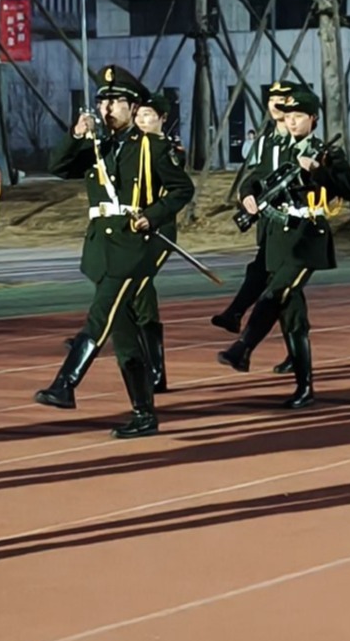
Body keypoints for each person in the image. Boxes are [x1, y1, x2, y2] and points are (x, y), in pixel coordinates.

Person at [34, 66, 194, 437]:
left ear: (133, 106)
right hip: (102, 247)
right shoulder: (97, 147)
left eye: (115, 101)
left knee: (100, 315)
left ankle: (65, 384)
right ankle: (144, 414)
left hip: (134, 246)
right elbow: (59, 167)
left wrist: (153, 216)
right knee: (123, 335)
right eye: (102, 101)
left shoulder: (152, 147)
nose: (106, 108)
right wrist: (76, 135)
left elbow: (181, 190)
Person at [218, 86, 350, 408]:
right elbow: (256, 177)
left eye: (299, 116)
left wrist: (319, 170)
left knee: (275, 294)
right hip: (276, 237)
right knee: (291, 313)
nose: (293, 121)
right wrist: (247, 194)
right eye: (288, 116)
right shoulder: (276, 147)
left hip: (307, 236)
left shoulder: (325, 152)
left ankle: (243, 347)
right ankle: (304, 387)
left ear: (313, 119)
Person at [211, 83, 295, 333]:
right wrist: (247, 193)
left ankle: (238, 325)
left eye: (282, 99)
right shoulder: (265, 142)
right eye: (271, 99)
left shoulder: (301, 142)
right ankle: (239, 322)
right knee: (277, 289)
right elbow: (257, 175)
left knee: (270, 281)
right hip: (270, 225)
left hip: (294, 226)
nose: (275, 104)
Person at [130, 90, 186, 392]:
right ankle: (153, 370)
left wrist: (152, 216)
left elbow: (175, 192)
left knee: (139, 285)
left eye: (148, 115)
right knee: (137, 291)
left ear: (162, 118)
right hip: (134, 230)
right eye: (138, 115)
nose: (141, 120)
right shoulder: (132, 147)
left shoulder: (167, 150)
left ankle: (154, 369)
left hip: (159, 230)